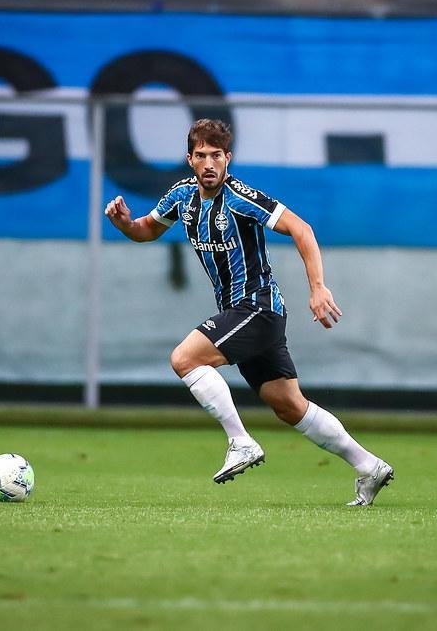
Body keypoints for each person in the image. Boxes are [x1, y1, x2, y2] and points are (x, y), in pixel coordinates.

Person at [104, 118, 393, 506]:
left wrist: (318, 287)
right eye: (202, 155)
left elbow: (301, 229)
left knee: (184, 359)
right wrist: (125, 224)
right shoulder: (181, 197)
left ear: (228, 159)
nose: (209, 163)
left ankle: (240, 442)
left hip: (257, 308)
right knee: (290, 406)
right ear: (190, 159)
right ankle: (369, 466)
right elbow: (147, 229)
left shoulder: (240, 197)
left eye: (217, 156)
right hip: (244, 313)